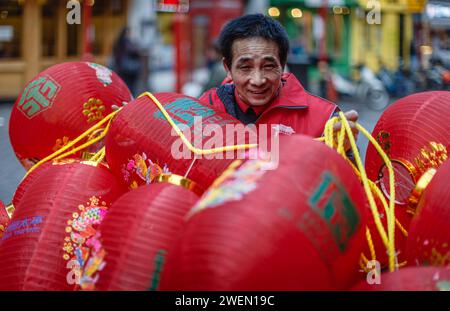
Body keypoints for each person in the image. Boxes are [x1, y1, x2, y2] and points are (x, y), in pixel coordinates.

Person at [198, 14, 358, 149]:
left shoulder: (324, 119)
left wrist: (342, 154)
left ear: (282, 64)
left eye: (268, 66)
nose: (258, 80)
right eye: (245, 67)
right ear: (228, 68)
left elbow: (351, 182)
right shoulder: (204, 110)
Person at [112, 27, 142, 96]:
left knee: (124, 86)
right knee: (131, 88)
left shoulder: (118, 42)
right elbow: (133, 51)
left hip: (121, 68)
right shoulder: (127, 42)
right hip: (128, 69)